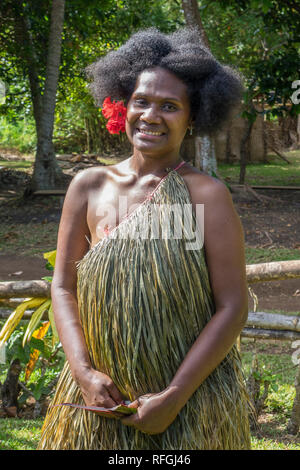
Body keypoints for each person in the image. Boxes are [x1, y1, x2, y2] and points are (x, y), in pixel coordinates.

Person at [38, 27, 252, 450]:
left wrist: (174, 397)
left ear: (193, 118)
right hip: (97, 399)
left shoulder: (205, 194)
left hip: (190, 403)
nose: (151, 116)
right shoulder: (89, 187)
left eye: (170, 106)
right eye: (142, 101)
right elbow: (63, 287)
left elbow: (233, 305)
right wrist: (84, 374)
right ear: (124, 103)